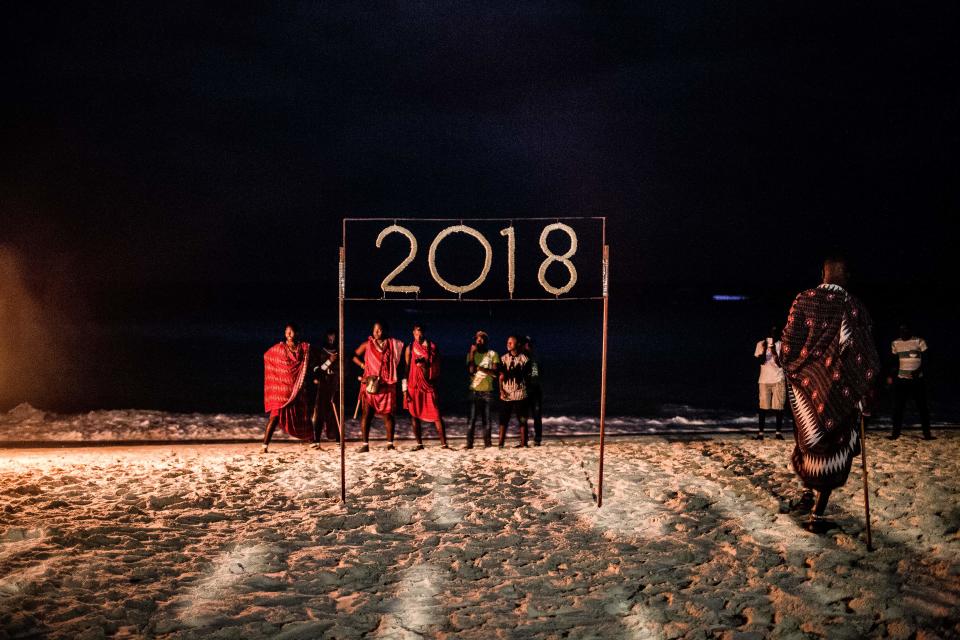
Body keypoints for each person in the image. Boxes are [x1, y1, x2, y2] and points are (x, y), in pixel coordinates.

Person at [780, 256, 880, 532]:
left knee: (809, 444)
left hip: (806, 392)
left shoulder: (803, 299)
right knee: (834, 451)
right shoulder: (854, 306)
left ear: (821, 274)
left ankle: (808, 496)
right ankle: (817, 516)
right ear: (845, 275)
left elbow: (787, 347)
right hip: (839, 394)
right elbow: (866, 357)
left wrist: (801, 375)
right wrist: (863, 392)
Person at [352, 321, 404, 452]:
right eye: (375, 330)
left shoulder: (392, 344)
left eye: (380, 330)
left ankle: (390, 444)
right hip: (370, 384)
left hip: (386, 384)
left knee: (388, 415)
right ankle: (365, 445)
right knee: (366, 414)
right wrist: (362, 365)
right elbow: (354, 356)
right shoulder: (367, 344)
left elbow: (399, 361)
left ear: (385, 331)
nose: (376, 332)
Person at [262, 323, 315, 453]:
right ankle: (264, 446)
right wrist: (278, 377)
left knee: (302, 415)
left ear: (297, 333)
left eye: (292, 332)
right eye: (287, 332)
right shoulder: (279, 349)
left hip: (297, 390)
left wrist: (324, 366)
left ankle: (312, 440)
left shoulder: (304, 348)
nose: (289, 334)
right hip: (281, 392)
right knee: (274, 417)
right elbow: (266, 356)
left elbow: (314, 362)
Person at [403, 323, 449, 450]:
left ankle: (444, 444)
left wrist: (425, 365)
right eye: (416, 332)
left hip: (428, 385)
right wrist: (404, 389)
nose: (419, 334)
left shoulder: (431, 346)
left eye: (421, 331)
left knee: (436, 415)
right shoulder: (410, 347)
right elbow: (406, 369)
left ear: (424, 332)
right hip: (413, 385)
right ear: (413, 333)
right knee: (414, 415)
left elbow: (437, 365)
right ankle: (419, 444)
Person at [887, 323, 933, 440]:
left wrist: (919, 370)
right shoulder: (895, 343)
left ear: (910, 331)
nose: (903, 332)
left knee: (922, 407)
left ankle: (927, 434)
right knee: (898, 408)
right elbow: (893, 361)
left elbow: (927, 360)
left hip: (917, 381)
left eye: (905, 330)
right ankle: (895, 434)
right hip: (902, 380)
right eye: (901, 330)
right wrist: (891, 376)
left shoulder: (919, 341)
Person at [465, 330, 500, 449]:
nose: (479, 341)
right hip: (474, 391)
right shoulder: (471, 355)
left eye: (481, 339)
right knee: (472, 420)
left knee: (487, 420)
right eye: (477, 339)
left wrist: (482, 369)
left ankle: (488, 445)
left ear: (486, 341)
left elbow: (495, 373)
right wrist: (472, 354)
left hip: (487, 391)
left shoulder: (493, 354)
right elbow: (470, 371)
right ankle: (469, 445)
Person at [498, 335, 532, 448]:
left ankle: (523, 443)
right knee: (503, 420)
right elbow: (500, 377)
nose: (508, 344)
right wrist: (501, 390)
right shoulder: (503, 359)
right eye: (508, 342)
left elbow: (528, 376)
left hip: (520, 394)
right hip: (506, 394)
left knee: (522, 419)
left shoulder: (524, 359)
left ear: (517, 344)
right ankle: (500, 444)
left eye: (511, 343)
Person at [754, 326, 786, 440]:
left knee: (779, 407)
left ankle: (778, 433)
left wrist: (773, 351)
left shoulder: (782, 345)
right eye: (771, 332)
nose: (772, 334)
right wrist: (764, 349)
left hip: (778, 378)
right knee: (763, 407)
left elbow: (781, 364)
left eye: (775, 332)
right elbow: (760, 362)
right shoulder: (760, 344)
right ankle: (761, 433)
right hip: (764, 379)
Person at [309, 328, 340, 448]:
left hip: (336, 384)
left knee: (337, 412)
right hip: (323, 385)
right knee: (319, 412)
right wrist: (329, 361)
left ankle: (338, 439)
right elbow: (316, 369)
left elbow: (345, 369)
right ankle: (316, 440)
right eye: (329, 337)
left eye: (333, 337)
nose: (331, 339)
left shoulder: (340, 351)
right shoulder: (320, 351)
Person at [523, 336, 544, 445]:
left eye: (529, 343)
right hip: (526, 388)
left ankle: (537, 438)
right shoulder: (522, 356)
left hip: (535, 388)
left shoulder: (535, 356)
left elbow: (537, 373)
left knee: (536, 414)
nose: (527, 345)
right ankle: (525, 439)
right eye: (526, 343)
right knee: (524, 415)